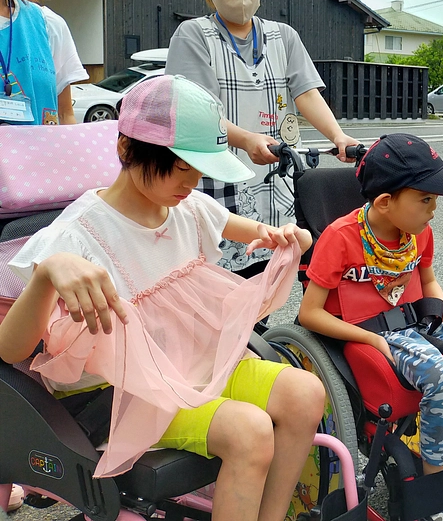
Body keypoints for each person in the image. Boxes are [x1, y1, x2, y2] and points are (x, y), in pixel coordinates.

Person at [0, 74, 325, 521]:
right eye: (179, 166)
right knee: (248, 430)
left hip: (184, 366)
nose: (190, 181)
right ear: (125, 150)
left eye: (198, 169)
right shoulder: (76, 234)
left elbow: (260, 233)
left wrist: (289, 236)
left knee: (306, 391)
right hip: (114, 392)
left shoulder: (187, 207)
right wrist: (46, 276)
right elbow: (10, 350)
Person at [298, 133, 443, 521]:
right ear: (385, 202)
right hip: (374, 332)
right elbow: (310, 314)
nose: (434, 209)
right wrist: (371, 338)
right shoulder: (340, 238)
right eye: (426, 199)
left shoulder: (418, 233)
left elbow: (427, 281)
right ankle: (433, 493)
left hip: (420, 320)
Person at [166, 0, 357, 278]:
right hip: (219, 175)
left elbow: (307, 93)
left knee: (269, 276)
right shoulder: (193, 34)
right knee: (220, 284)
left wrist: (338, 136)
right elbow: (198, 111)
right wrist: (247, 140)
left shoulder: (282, 35)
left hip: (274, 178)